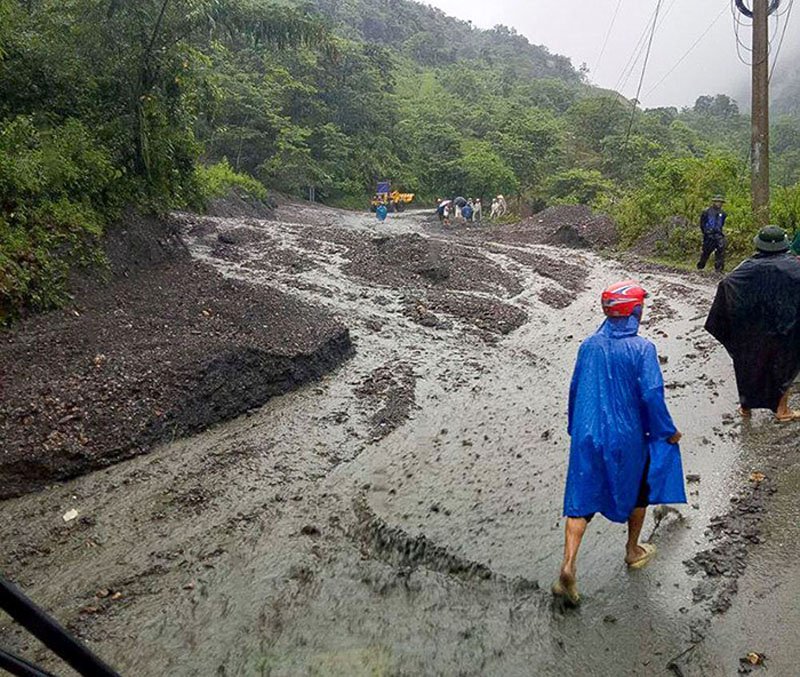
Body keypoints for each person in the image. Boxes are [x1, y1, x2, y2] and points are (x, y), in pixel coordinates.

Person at [554, 280, 685, 606]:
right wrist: (666, 430)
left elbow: (575, 389)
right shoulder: (642, 349)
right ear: (635, 312)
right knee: (638, 490)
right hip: (627, 438)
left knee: (580, 500)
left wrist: (574, 426)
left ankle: (568, 565)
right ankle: (632, 549)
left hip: (587, 434)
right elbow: (651, 395)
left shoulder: (588, 346)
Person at [705, 225, 800, 422]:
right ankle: (782, 410)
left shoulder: (746, 267)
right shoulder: (795, 267)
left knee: (747, 364)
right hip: (785, 329)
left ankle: (745, 407)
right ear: (784, 245)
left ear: (759, 245)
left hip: (752, 329)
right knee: (785, 366)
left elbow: (726, 285)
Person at [697, 195, 727, 272]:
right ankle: (701, 266)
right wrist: (706, 232)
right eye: (717, 202)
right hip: (708, 234)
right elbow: (702, 223)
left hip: (718, 234)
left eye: (720, 202)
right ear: (714, 202)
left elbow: (722, 223)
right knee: (706, 251)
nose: (719, 204)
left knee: (721, 249)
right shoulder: (706, 212)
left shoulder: (723, 213)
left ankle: (719, 268)